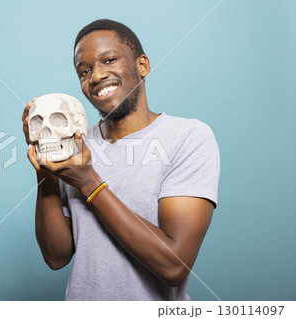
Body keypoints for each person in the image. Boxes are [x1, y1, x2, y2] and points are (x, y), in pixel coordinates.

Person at [21, 19, 220, 301]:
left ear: (143, 65)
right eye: (84, 71)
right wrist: (47, 171)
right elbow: (57, 257)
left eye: (110, 60)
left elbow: (175, 265)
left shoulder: (188, 137)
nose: (97, 76)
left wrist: (90, 183)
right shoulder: (75, 147)